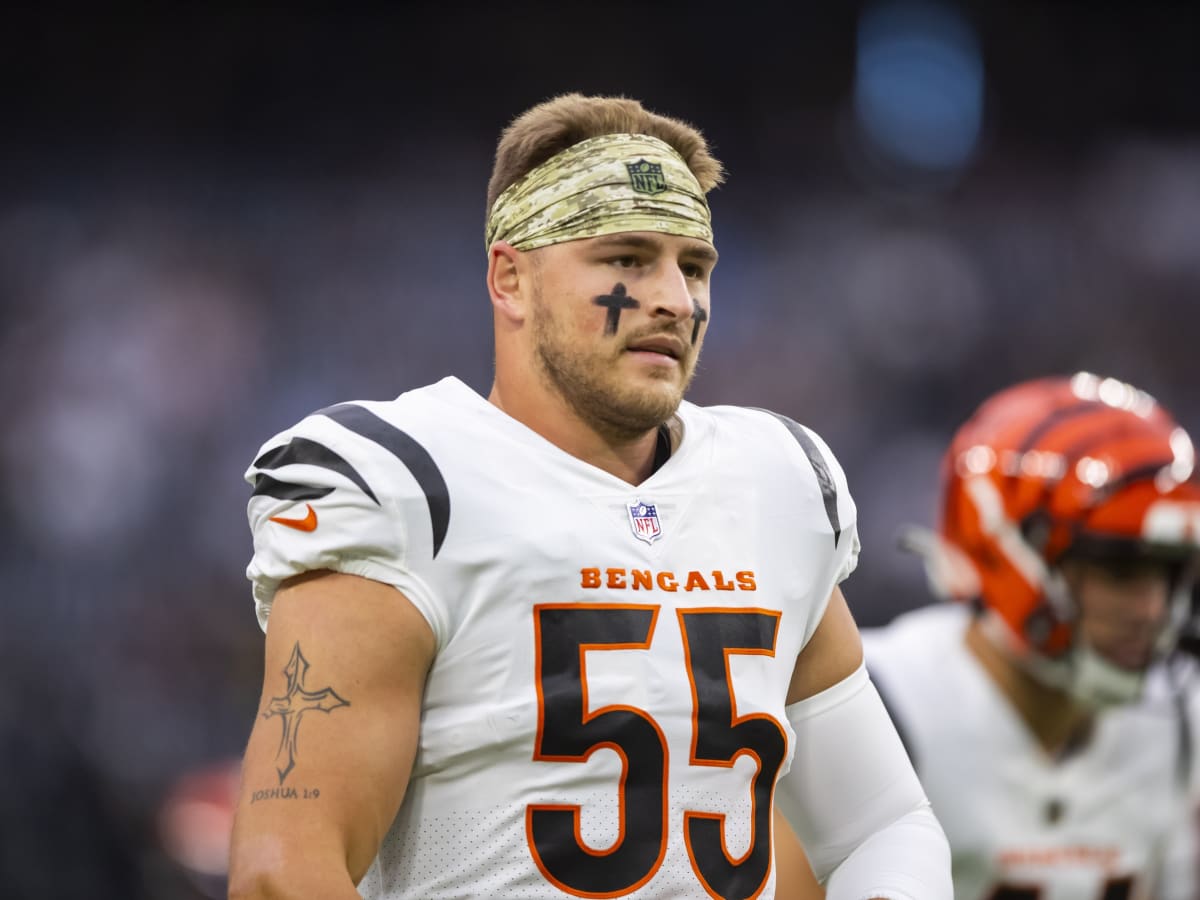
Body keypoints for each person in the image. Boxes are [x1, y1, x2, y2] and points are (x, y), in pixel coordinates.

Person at [226, 93, 951, 899]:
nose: (676, 299)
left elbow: (880, 825)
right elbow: (282, 872)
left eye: (695, 266)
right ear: (511, 279)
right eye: (627, 259)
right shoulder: (406, 484)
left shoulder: (775, 480)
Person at [776, 372, 1200, 900]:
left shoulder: (1181, 720)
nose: (1153, 608)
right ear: (1008, 550)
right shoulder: (876, 700)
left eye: (1171, 574)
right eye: (1119, 570)